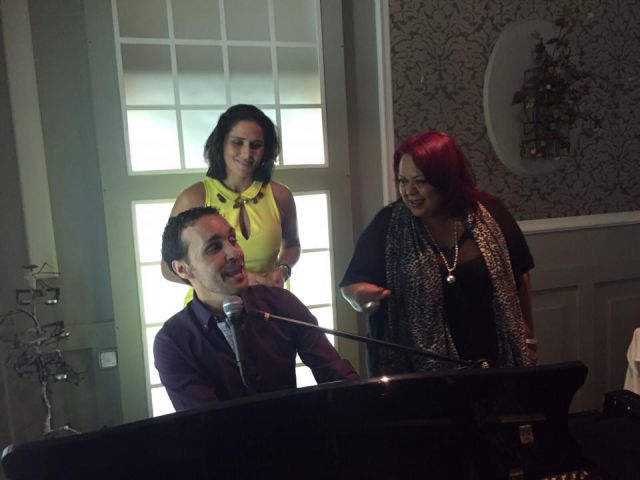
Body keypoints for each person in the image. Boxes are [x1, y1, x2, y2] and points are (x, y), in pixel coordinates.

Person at [340, 131, 536, 376]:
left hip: (492, 358)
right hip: (416, 371)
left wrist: (528, 338)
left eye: (420, 181)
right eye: (402, 181)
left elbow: (520, 278)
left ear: (446, 179)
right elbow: (351, 286)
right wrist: (361, 296)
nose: (409, 191)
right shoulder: (388, 225)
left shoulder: (490, 213)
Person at [155, 206, 358, 410]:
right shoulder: (173, 341)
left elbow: (337, 375)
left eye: (233, 240)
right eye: (214, 248)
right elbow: (206, 423)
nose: (234, 252)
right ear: (183, 269)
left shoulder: (281, 304)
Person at [161, 104, 299, 291]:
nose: (247, 154)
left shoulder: (281, 195)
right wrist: (236, 278)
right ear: (221, 143)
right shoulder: (193, 198)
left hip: (269, 300)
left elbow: (292, 246)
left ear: (266, 150)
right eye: (237, 142)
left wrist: (283, 269)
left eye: (256, 145)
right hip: (212, 306)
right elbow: (168, 269)